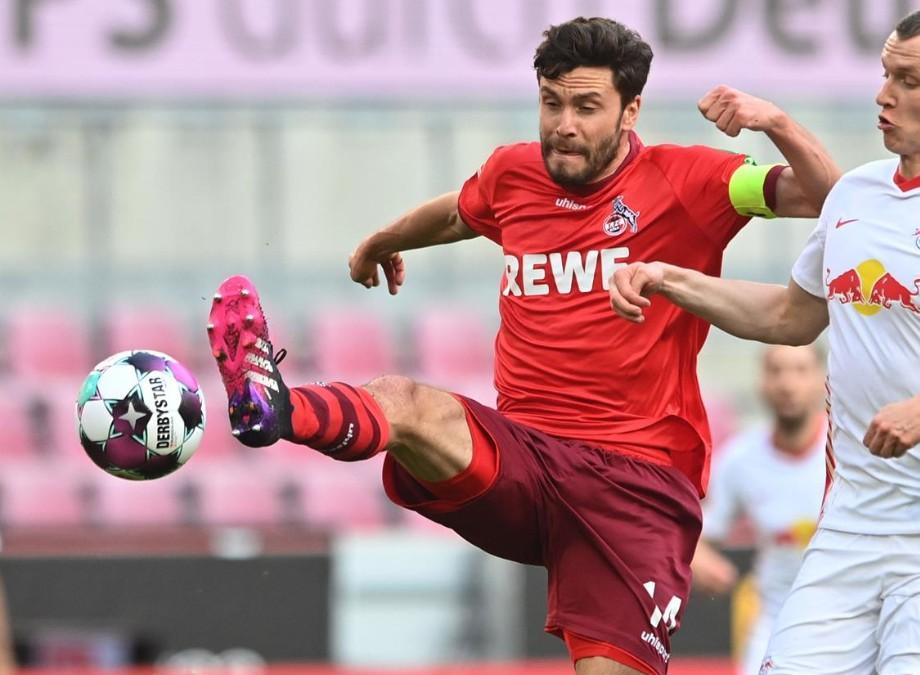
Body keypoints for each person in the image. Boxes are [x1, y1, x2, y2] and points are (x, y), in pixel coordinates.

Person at [206, 17, 839, 675]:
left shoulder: (691, 181)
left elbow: (827, 199)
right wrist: (382, 240)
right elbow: (457, 212)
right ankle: (273, 408)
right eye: (551, 101)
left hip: (636, 488)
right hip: (524, 462)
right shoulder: (515, 173)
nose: (563, 123)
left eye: (587, 107)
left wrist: (778, 125)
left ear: (631, 111)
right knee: (406, 400)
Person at [609, 5, 920, 673]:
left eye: (909, 79)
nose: (884, 93)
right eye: (884, 73)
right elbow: (789, 316)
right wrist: (669, 278)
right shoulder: (854, 196)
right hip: (848, 535)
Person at [690, 344, 827, 675]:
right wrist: (700, 561)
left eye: (799, 370)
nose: (787, 383)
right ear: (761, 382)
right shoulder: (741, 460)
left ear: (823, 379)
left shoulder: (851, 450)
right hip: (776, 622)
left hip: (854, 617)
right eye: (776, 371)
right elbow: (696, 535)